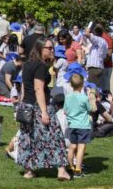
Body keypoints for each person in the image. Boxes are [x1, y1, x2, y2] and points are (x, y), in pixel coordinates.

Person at [16, 36, 71, 180]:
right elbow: (38, 89)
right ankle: (61, 170)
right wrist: (44, 112)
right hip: (39, 106)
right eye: (49, 48)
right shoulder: (40, 66)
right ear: (40, 48)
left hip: (27, 106)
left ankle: (29, 170)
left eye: (52, 48)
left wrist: (21, 104)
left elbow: (23, 86)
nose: (52, 50)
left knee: (28, 137)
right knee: (54, 135)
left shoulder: (28, 63)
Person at [63, 73, 95, 177]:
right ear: (82, 85)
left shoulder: (67, 97)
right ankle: (78, 169)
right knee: (81, 147)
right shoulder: (84, 98)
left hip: (72, 125)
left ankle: (70, 166)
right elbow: (90, 109)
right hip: (83, 125)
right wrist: (90, 97)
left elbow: (65, 111)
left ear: (71, 84)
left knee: (72, 146)